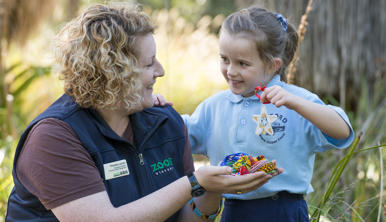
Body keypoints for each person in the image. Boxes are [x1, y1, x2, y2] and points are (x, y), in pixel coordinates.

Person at [5, 4, 280, 222]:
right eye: (149, 64)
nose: (161, 71)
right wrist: (194, 183)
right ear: (114, 73)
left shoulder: (166, 122)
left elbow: (188, 217)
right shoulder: (54, 137)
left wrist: (210, 191)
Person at [156, 5, 355, 222]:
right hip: (234, 211)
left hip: (285, 210)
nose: (231, 71)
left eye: (242, 63)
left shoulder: (295, 101)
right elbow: (177, 137)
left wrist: (295, 103)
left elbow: (343, 132)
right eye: (224, 59)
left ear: (272, 65)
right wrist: (159, 111)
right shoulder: (214, 107)